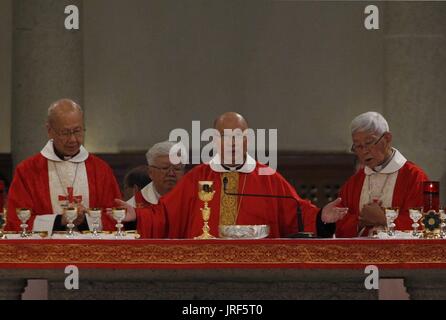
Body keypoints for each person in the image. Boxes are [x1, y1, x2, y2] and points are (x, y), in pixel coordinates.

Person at [117, 112, 347, 238]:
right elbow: (165, 215)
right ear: (215, 141)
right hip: (204, 271)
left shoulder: (267, 176)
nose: (233, 143)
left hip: (259, 273)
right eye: (225, 137)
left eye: (239, 136)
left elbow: (297, 211)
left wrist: (321, 218)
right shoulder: (198, 177)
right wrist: (137, 217)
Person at [5, 99, 121, 233]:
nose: (72, 139)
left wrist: (84, 220)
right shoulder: (28, 171)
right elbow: (16, 222)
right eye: (65, 133)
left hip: (92, 251)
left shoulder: (100, 170)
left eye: (77, 131)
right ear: (49, 131)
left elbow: (116, 219)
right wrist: (60, 220)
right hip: (45, 252)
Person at [320, 111, 429, 237]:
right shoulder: (354, 183)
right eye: (358, 146)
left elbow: (425, 223)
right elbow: (339, 223)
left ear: (387, 139)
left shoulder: (414, 177)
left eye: (369, 143)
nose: (365, 151)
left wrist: (384, 219)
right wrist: (360, 221)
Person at [126, 141, 185, 207]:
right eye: (165, 168)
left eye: (177, 169)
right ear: (150, 172)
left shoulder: (194, 199)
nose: (171, 173)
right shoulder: (133, 207)